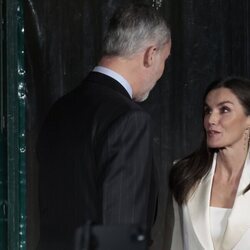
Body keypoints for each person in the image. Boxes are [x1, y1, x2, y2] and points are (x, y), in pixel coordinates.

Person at [36, 3, 171, 249]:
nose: (161, 70)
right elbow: (120, 237)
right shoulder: (129, 119)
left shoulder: (59, 110)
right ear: (151, 54)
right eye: (164, 59)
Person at [169, 77, 250, 250]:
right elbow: (175, 244)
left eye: (224, 110)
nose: (211, 120)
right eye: (208, 110)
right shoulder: (184, 173)